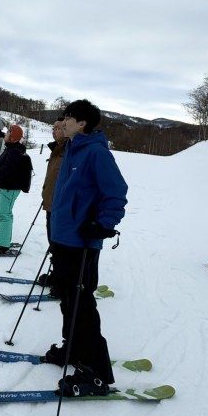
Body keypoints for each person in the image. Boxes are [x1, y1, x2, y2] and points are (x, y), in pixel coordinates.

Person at [46, 99, 128, 397]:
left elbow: (117, 192)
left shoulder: (95, 152)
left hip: (82, 241)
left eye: (68, 118)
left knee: (82, 304)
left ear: (82, 123)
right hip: (64, 238)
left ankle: (96, 372)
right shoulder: (70, 149)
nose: (63, 122)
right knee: (68, 300)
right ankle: (74, 349)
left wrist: (103, 224)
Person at [0, 125, 32, 255]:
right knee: (6, 214)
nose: (5, 135)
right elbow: (2, 165)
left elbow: (7, 171)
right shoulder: (11, 149)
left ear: (12, 136)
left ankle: (2, 244)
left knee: (4, 215)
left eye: (7, 133)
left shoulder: (14, 152)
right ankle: (3, 239)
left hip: (10, 187)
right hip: (7, 186)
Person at [38, 117, 68, 293]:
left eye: (58, 128)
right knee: (53, 241)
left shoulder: (67, 150)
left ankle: (62, 280)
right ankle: (57, 274)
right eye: (53, 128)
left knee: (59, 243)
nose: (54, 131)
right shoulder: (56, 150)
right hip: (51, 203)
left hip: (60, 205)